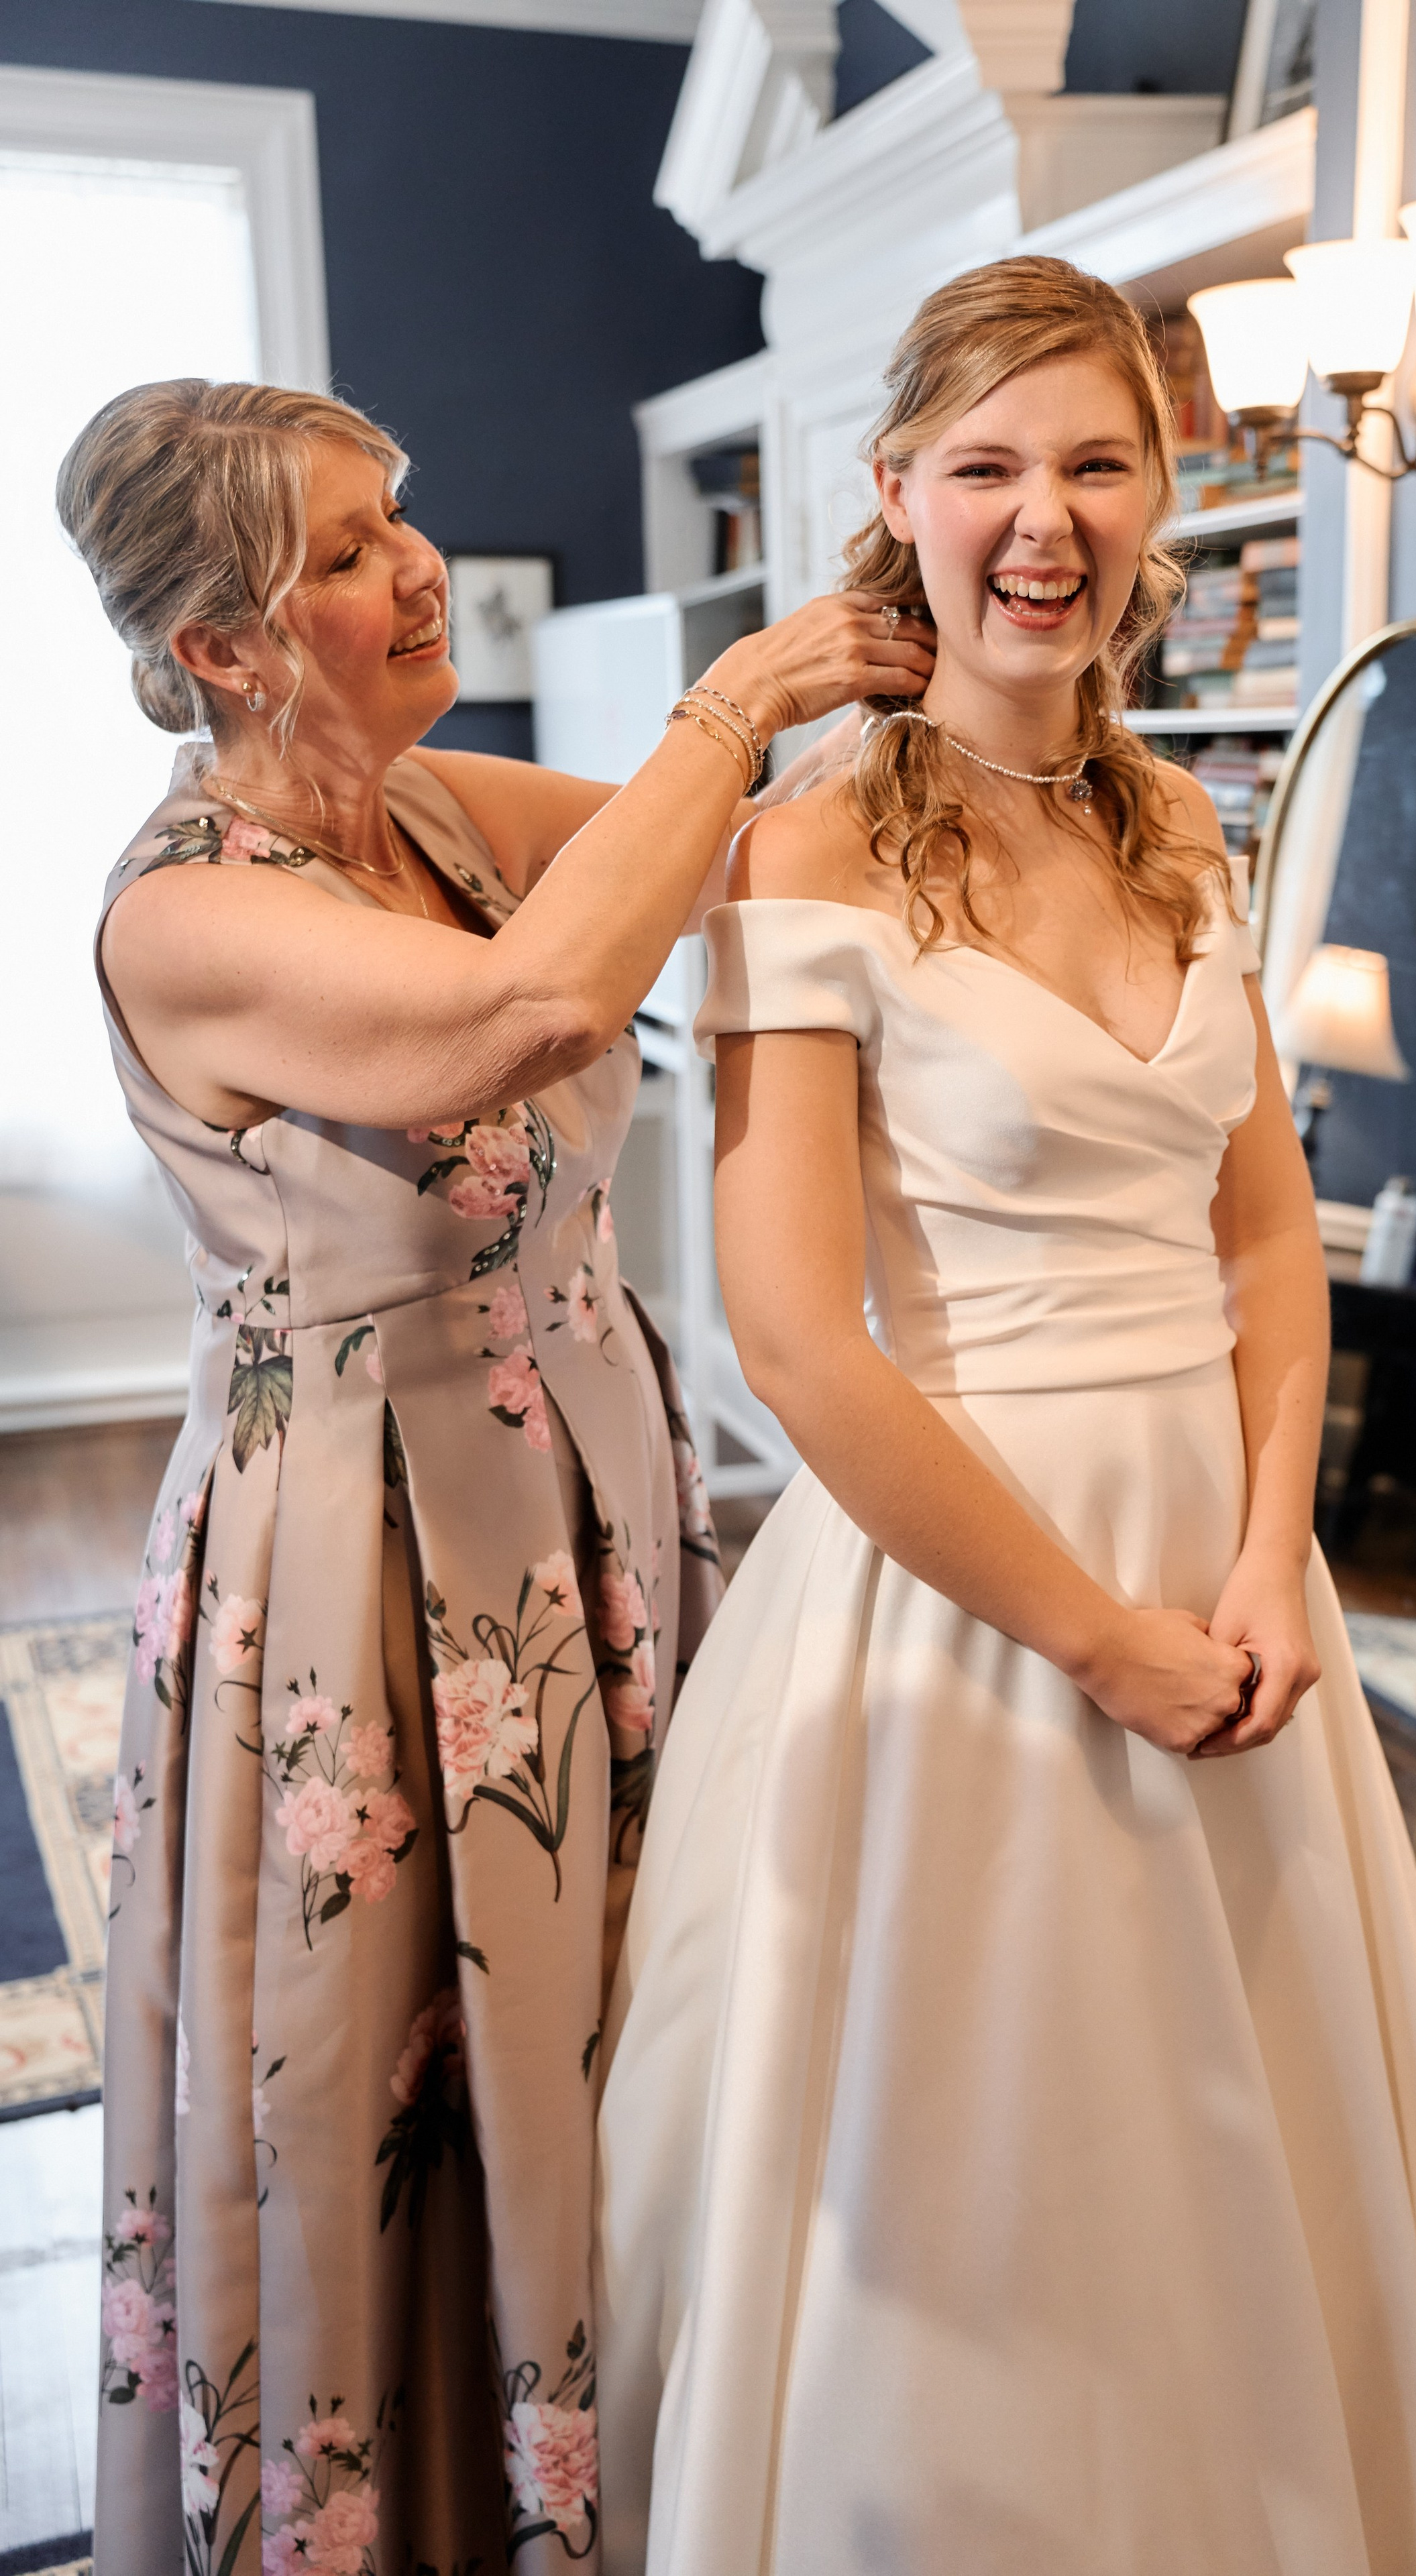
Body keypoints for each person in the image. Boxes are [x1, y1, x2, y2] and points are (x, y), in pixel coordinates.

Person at [595, 260, 1416, 2574]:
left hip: (1229, 1575)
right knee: (1007, 2162)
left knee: (1272, 2146)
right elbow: (801, 1341)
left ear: (1160, 496)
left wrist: (1264, 1564)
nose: (1042, 520)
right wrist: (1097, 1635)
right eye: (987, 468)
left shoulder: (1183, 831)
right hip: (971, 1591)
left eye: (1096, 464)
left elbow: (1267, 1247)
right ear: (897, 494)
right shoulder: (804, 850)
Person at [62, 376, 931, 2575]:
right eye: (348, 551)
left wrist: (950, 612)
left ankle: (651, 2465)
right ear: (223, 645)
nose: (418, 565)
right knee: (388, 2074)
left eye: (400, 515)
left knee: (629, 2004)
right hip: (371, 1562)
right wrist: (741, 692)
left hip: (586, 1500)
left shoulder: (439, 809)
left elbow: (725, 860)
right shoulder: (182, 912)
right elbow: (526, 1015)